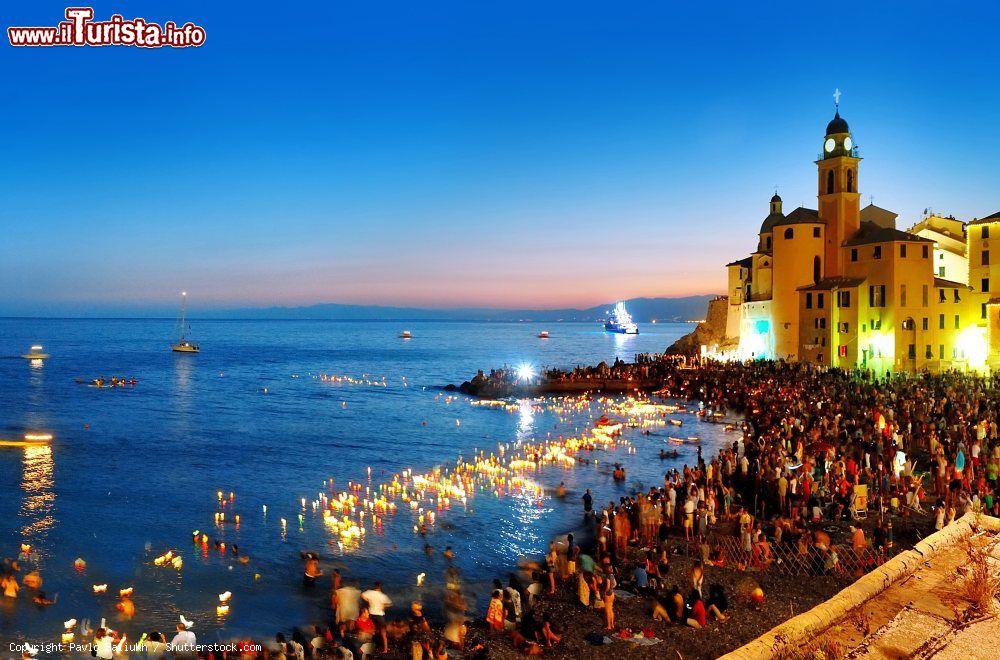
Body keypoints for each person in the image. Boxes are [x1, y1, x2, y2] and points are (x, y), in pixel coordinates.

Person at [361, 582, 392, 654]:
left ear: (374, 586)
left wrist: (368, 600)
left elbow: (362, 595)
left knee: (372, 630)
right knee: (383, 633)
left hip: (371, 614)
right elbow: (390, 603)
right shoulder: (383, 595)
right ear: (380, 587)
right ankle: (385, 649)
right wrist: (383, 606)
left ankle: (369, 646)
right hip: (379, 615)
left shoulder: (370, 592)